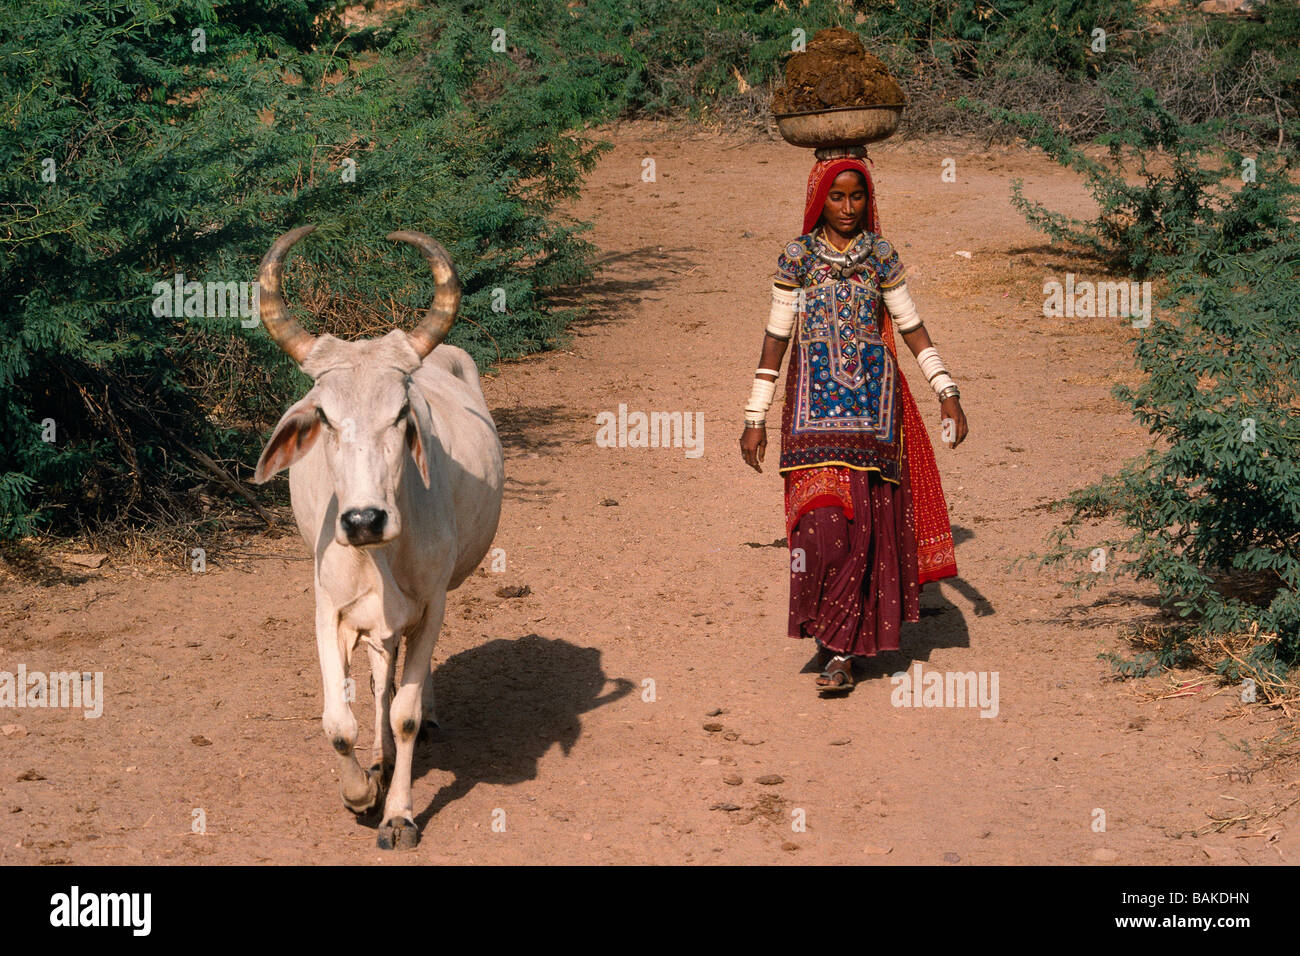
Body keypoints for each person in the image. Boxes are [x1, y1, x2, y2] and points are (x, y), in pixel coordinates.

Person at [739, 151, 966, 694]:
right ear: (820, 199)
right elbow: (777, 337)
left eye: (857, 196)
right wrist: (755, 415)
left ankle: (840, 652)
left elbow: (912, 327)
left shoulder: (881, 256)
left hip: (873, 417)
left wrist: (947, 391)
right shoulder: (795, 258)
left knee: (865, 532)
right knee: (822, 532)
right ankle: (831, 636)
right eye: (836, 196)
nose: (847, 207)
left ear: (869, 201)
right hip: (808, 416)